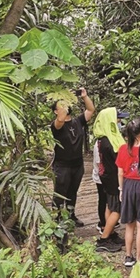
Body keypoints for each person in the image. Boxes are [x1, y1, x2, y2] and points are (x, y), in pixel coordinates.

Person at [50, 88, 95, 226]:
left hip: (77, 164)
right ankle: (56, 219)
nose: (66, 106)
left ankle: (71, 216)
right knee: (60, 192)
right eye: (61, 106)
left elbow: (90, 110)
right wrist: (63, 97)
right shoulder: (56, 125)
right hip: (62, 165)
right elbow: (61, 119)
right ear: (56, 111)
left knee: (72, 191)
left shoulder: (78, 121)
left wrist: (84, 96)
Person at [116, 118, 140, 267]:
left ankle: (128, 256)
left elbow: (120, 172)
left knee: (129, 224)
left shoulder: (124, 148)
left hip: (128, 185)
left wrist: (121, 189)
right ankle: (139, 258)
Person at [94, 108, 127, 252]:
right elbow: (119, 160)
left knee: (110, 206)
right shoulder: (109, 142)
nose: (119, 121)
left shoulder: (104, 138)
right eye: (117, 118)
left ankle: (110, 232)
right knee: (116, 210)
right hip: (113, 178)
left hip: (106, 177)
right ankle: (103, 239)